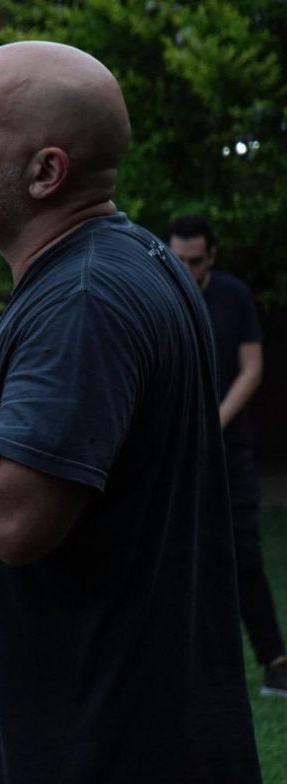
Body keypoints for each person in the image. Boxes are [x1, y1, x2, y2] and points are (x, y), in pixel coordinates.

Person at [0, 41, 261, 783]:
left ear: (45, 172)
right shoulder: (130, 261)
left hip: (88, 748)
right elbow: (91, 449)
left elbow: (15, 516)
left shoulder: (85, 299)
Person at [167, 213, 287, 696]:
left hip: (227, 449)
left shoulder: (233, 296)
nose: (187, 270)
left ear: (211, 257)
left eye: (195, 261)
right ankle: (183, 669)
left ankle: (275, 661)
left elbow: (252, 369)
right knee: (174, 558)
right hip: (170, 454)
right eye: (178, 260)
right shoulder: (157, 293)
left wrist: (212, 423)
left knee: (241, 552)